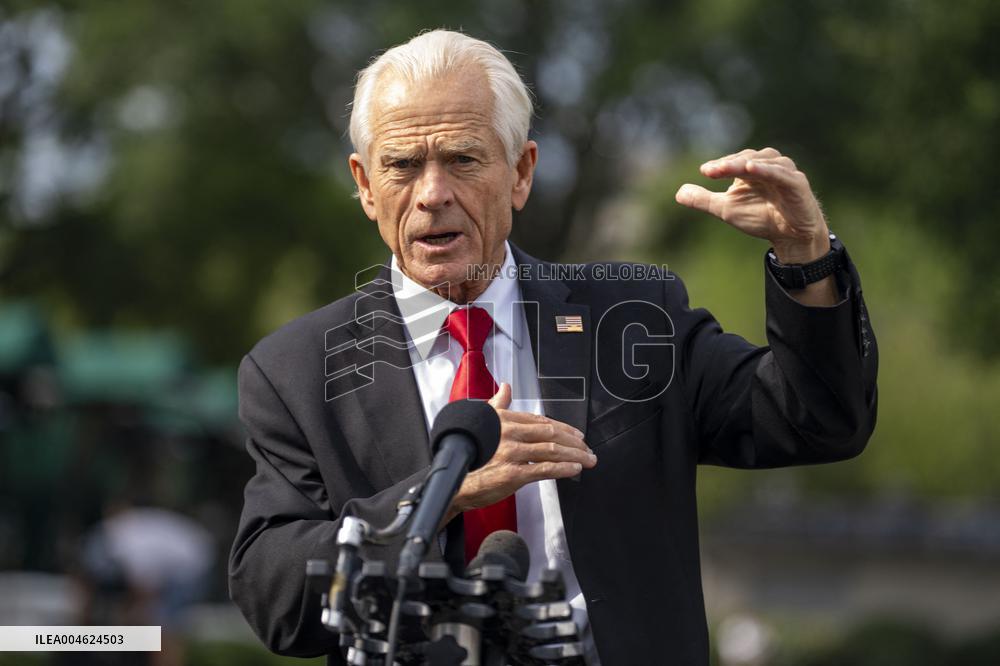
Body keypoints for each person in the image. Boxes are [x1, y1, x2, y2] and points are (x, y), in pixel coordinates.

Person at [229, 30, 878, 665]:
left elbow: (817, 420)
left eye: (462, 159)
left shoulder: (632, 319)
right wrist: (440, 491)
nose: (431, 194)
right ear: (366, 185)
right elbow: (274, 598)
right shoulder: (296, 370)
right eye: (401, 166)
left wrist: (805, 261)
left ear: (520, 173)